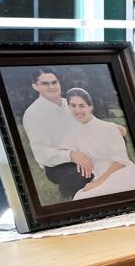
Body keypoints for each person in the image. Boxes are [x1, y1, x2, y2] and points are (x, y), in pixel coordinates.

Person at [20, 69, 91, 200]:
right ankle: (68, 189)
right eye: (45, 83)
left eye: (54, 82)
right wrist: (71, 155)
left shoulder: (71, 104)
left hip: (85, 153)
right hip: (58, 165)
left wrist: (112, 128)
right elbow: (43, 154)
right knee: (83, 174)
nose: (52, 87)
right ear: (36, 86)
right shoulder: (33, 114)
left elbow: (90, 126)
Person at [63, 88, 135, 200]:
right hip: (100, 178)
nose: (77, 110)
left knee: (81, 198)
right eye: (73, 106)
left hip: (121, 176)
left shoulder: (109, 128)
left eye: (82, 106)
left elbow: (120, 162)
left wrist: (96, 183)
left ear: (90, 107)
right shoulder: (73, 131)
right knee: (80, 197)